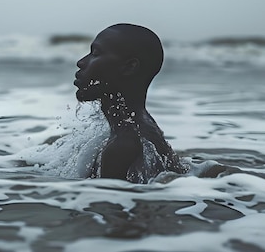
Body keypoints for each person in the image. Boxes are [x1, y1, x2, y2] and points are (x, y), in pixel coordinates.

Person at [74, 23, 187, 183]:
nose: (81, 62)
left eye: (96, 53)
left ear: (129, 67)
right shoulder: (142, 127)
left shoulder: (123, 145)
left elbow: (110, 205)